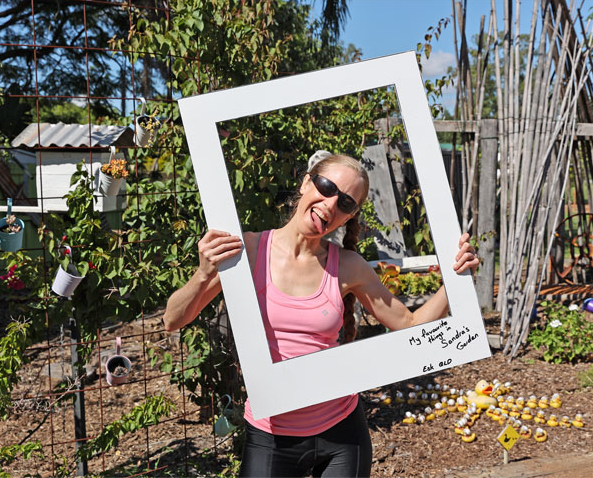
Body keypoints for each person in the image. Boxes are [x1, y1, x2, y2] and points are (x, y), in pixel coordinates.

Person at [163, 154, 479, 477]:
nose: (330, 205)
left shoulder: (348, 266)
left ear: (348, 218)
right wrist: (203, 275)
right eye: (326, 187)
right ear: (306, 182)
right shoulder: (248, 251)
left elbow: (410, 324)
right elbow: (173, 319)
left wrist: (456, 281)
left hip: (342, 434)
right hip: (272, 435)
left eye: (344, 203)